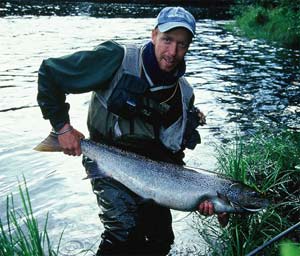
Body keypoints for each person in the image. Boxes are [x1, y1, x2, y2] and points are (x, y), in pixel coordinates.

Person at [37, 6, 228, 255]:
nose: (172, 52)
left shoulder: (184, 94)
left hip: (155, 172)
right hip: (107, 159)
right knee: (123, 231)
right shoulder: (116, 58)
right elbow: (50, 73)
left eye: (181, 44)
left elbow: (174, 155)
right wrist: (62, 129)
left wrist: (200, 196)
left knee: (160, 240)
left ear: (189, 46)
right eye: (167, 40)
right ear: (153, 35)